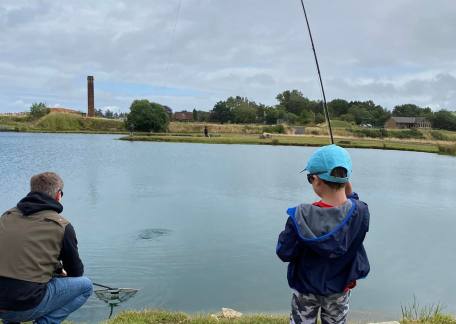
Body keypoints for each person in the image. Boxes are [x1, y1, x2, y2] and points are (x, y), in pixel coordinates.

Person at [276, 145, 370, 324]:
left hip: (305, 287)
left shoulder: (299, 216)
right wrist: (349, 192)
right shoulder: (361, 212)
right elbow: (353, 204)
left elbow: (284, 252)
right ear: (347, 179)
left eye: (309, 178)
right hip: (340, 287)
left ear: (317, 180)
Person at [0, 172, 92, 324]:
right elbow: (76, 272)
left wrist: (55, 268)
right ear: (58, 195)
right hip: (24, 306)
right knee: (86, 286)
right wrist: (58, 271)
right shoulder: (62, 226)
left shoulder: (6, 216)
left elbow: (19, 255)